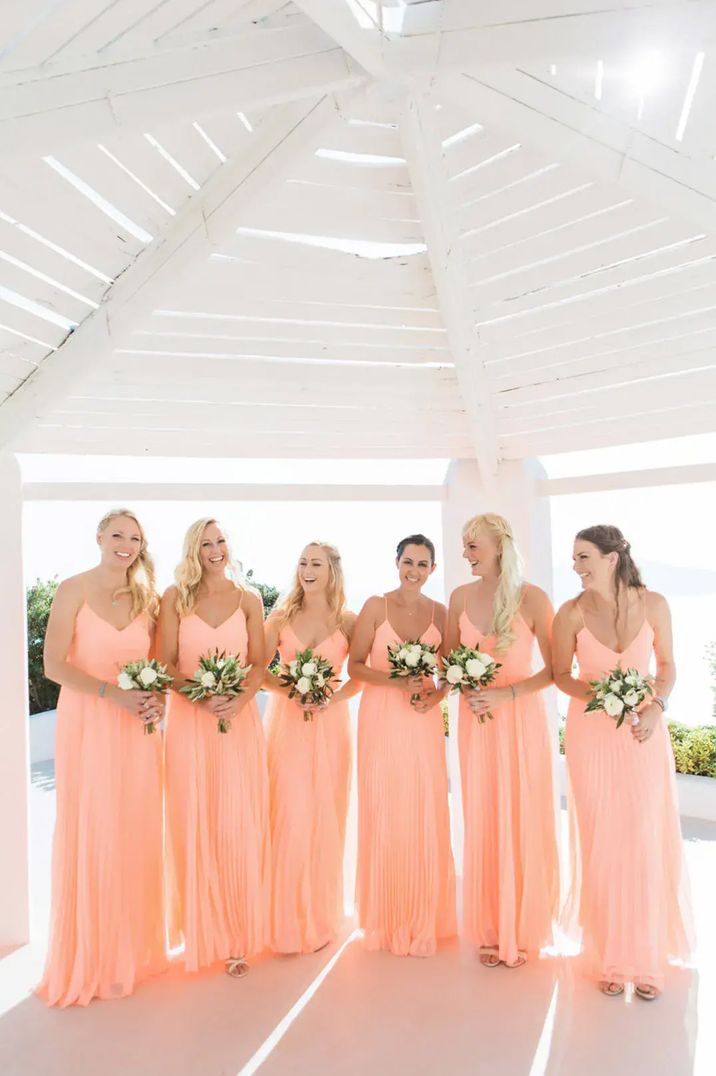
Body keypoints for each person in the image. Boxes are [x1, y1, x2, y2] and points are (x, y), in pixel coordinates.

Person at [553, 524, 693, 999]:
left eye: (584, 557)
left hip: (641, 734)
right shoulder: (570, 612)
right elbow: (559, 675)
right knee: (603, 838)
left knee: (643, 838)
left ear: (612, 558)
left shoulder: (654, 605)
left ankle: (646, 955)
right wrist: (597, 693)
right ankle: (609, 955)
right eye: (574, 559)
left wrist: (656, 707)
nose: (576, 567)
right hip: (591, 734)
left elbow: (668, 666)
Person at [37, 509, 166, 1006]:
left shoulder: (147, 600)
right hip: (89, 723)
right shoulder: (72, 588)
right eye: (118, 534)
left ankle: (129, 951)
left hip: (137, 726)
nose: (126, 544)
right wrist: (111, 693)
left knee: (133, 827)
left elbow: (156, 665)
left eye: (135, 538)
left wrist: (157, 700)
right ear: (99, 537)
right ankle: (91, 956)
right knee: (94, 828)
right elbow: (53, 665)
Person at [444, 513, 559, 968]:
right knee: (484, 814)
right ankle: (492, 926)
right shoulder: (458, 597)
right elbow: (450, 660)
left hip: (519, 718)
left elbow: (554, 670)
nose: (466, 554)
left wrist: (506, 693)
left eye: (473, 545)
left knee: (521, 813)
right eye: (464, 545)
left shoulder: (532, 598)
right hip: (476, 721)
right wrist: (464, 684)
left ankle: (524, 926)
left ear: (499, 547)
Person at [160, 518, 270, 978]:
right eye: (205, 543)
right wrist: (202, 697)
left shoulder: (249, 600)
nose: (215, 549)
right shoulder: (174, 598)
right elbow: (164, 663)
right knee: (196, 818)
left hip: (239, 723)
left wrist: (240, 699)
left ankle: (239, 935)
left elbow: (261, 662)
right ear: (193, 550)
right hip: (189, 722)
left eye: (221, 540)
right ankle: (203, 934)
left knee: (237, 821)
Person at [349, 534, 456, 956]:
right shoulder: (375, 607)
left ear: (433, 569)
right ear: (396, 562)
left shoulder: (442, 613)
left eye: (423, 564)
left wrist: (437, 695)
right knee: (384, 808)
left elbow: (452, 671)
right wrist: (395, 680)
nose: (414, 571)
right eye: (408, 562)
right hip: (379, 718)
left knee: (421, 809)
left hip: (420, 721)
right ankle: (385, 915)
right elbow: (354, 666)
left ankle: (420, 911)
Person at [263, 542, 359, 953]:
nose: (306, 569)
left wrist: (328, 698)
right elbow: (258, 670)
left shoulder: (348, 620)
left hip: (331, 724)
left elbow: (358, 677)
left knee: (325, 814)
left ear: (332, 570)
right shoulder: (281, 615)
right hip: (288, 725)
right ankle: (284, 918)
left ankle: (319, 915)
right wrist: (291, 690)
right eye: (302, 562)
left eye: (315, 563)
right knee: (289, 812)